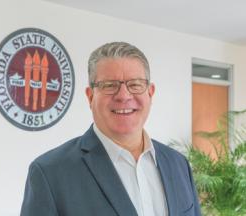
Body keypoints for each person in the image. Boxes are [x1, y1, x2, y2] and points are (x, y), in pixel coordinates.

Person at [20, 42, 201, 216]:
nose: (123, 96)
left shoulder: (179, 164)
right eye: (109, 85)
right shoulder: (50, 172)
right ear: (90, 97)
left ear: (150, 93)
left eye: (135, 84)